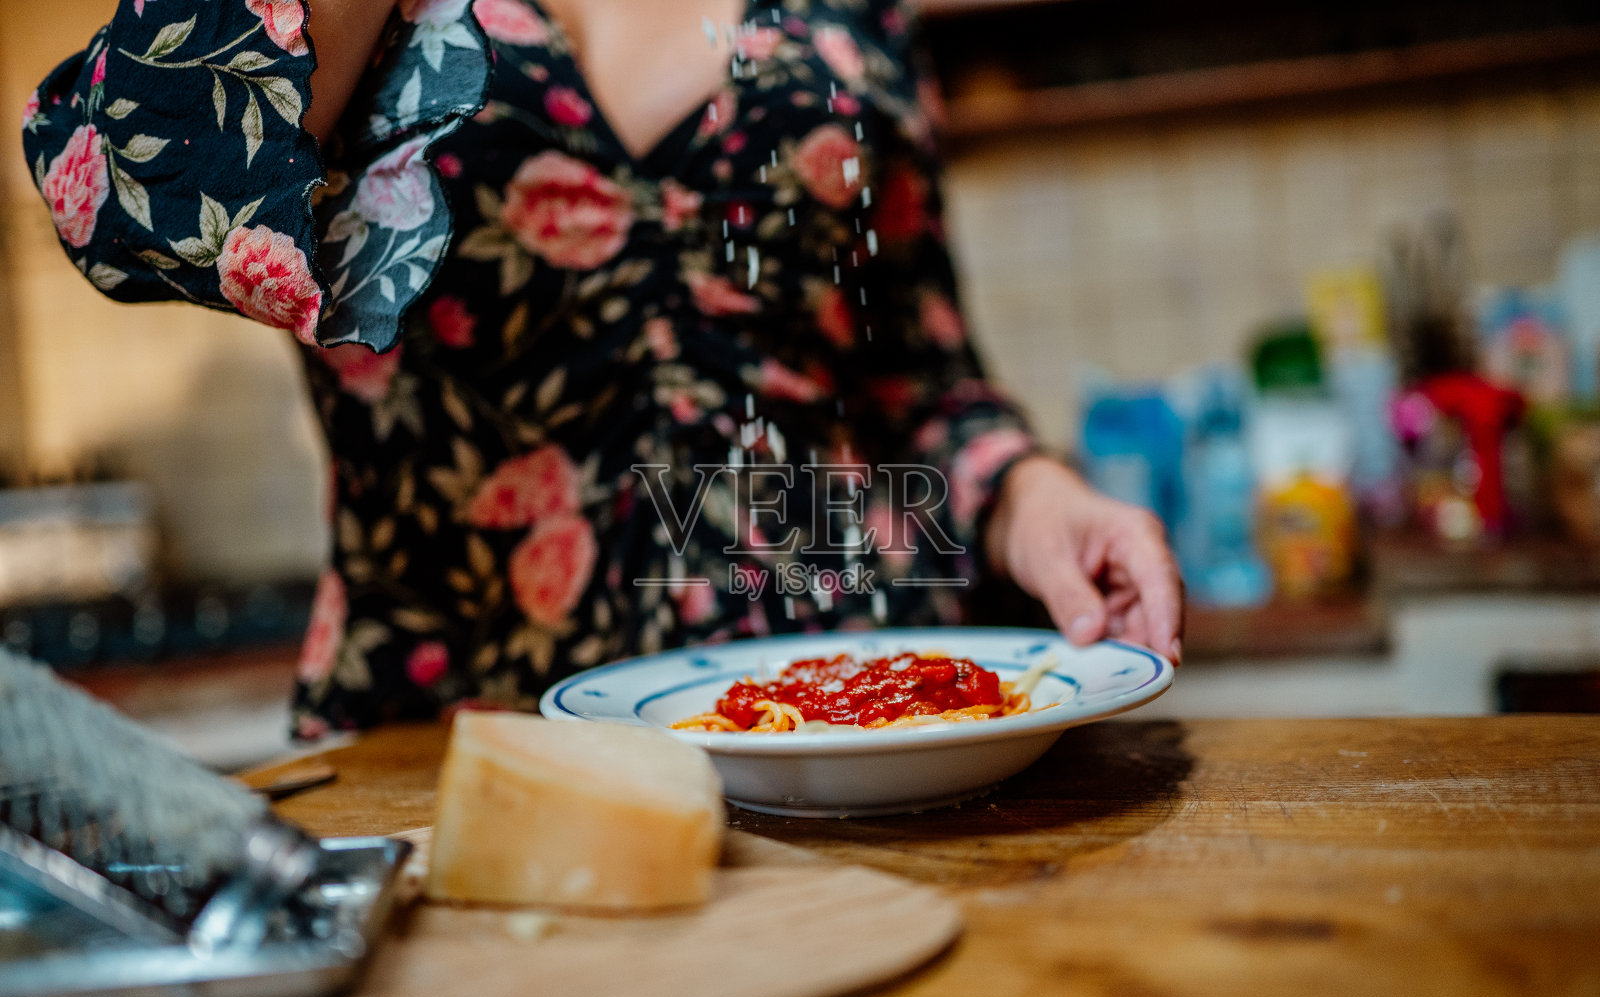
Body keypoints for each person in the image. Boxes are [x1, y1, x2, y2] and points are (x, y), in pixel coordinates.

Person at [23, 0, 1183, 737]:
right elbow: (132, 196)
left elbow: (922, 386)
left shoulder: (855, 12)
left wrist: (1038, 498)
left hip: (860, 718)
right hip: (470, 740)